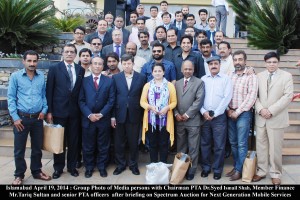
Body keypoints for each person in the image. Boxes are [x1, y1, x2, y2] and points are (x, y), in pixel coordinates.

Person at [8, 50, 51, 185]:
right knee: (19, 149)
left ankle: (36, 171)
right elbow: (11, 98)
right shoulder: (15, 77)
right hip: (21, 119)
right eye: (29, 61)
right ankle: (19, 174)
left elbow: (43, 96)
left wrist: (44, 110)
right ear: (24, 61)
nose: (32, 63)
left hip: (38, 118)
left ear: (37, 62)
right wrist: (15, 117)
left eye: (34, 61)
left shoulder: (41, 77)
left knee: (37, 148)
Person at [253, 52, 293, 185]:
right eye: (269, 62)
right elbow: (254, 95)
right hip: (261, 118)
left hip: (276, 117)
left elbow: (287, 96)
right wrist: (260, 109)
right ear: (265, 63)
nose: (271, 64)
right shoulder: (259, 76)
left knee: (275, 148)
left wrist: (271, 111)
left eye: (274, 62)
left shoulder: (286, 76)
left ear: (278, 63)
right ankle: (261, 171)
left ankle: (276, 173)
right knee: (261, 147)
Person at [46, 44, 85, 179]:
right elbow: (49, 90)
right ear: (62, 53)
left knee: (74, 141)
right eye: (67, 52)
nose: (69, 54)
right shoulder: (54, 69)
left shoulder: (80, 69)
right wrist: (49, 111)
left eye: (72, 52)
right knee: (59, 141)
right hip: (58, 111)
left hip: (75, 112)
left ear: (75, 55)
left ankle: (72, 167)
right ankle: (58, 168)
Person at [78, 56, 115, 178]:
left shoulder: (109, 81)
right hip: (88, 120)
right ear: (90, 65)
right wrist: (89, 114)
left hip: (103, 119)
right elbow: (81, 101)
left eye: (100, 64)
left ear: (103, 66)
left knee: (103, 145)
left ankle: (102, 167)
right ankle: (89, 167)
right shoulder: (84, 81)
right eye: (95, 64)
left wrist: (101, 114)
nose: (97, 66)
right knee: (88, 145)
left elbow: (111, 100)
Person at [111, 54, 146, 176]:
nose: (127, 66)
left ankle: (133, 165)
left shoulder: (141, 78)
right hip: (119, 114)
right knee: (119, 142)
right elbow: (113, 98)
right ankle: (120, 165)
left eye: (129, 63)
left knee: (133, 142)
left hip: (135, 114)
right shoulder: (116, 78)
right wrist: (113, 116)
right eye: (124, 64)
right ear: (121, 64)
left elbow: (143, 96)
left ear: (133, 64)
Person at [226, 50, 258, 181]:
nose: (237, 62)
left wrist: (237, 112)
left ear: (245, 61)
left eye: (240, 59)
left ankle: (239, 170)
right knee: (233, 142)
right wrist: (228, 109)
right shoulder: (229, 75)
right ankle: (236, 166)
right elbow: (225, 94)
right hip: (230, 112)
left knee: (242, 143)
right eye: (235, 60)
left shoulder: (251, 76)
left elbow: (251, 97)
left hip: (243, 113)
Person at [200, 55, 232, 180]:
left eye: (216, 64)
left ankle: (218, 169)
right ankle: (206, 168)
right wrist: (203, 112)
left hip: (219, 117)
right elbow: (199, 98)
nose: (213, 66)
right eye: (211, 64)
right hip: (205, 116)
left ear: (220, 65)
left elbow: (227, 97)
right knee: (205, 143)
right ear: (208, 66)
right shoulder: (203, 79)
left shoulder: (226, 79)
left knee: (219, 145)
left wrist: (216, 113)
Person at [140, 63, 177, 163]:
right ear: (152, 73)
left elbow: (174, 102)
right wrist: (150, 107)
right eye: (155, 71)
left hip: (165, 119)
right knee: (152, 143)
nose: (157, 73)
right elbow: (142, 102)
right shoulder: (147, 86)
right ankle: (154, 165)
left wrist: (167, 108)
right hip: (151, 119)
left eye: (159, 71)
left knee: (164, 143)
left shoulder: (170, 86)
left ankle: (163, 166)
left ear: (164, 72)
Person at [174, 60, 205, 181]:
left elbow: (198, 101)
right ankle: (181, 168)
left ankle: (191, 170)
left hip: (193, 121)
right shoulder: (177, 83)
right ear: (181, 70)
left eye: (190, 69)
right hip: (179, 121)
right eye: (185, 69)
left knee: (193, 147)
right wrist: (176, 113)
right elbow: (173, 100)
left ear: (193, 70)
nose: (187, 71)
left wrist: (187, 114)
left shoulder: (199, 82)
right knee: (181, 147)